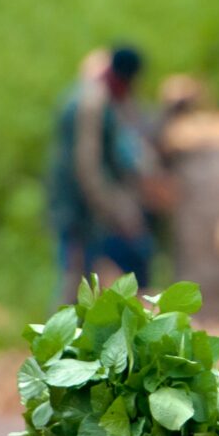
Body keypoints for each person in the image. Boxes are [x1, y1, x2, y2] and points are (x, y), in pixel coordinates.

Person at [46, 44, 155, 301]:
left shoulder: (94, 96)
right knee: (74, 276)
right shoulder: (92, 103)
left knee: (83, 274)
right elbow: (88, 166)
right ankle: (57, 336)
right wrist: (114, 207)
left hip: (78, 204)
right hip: (75, 206)